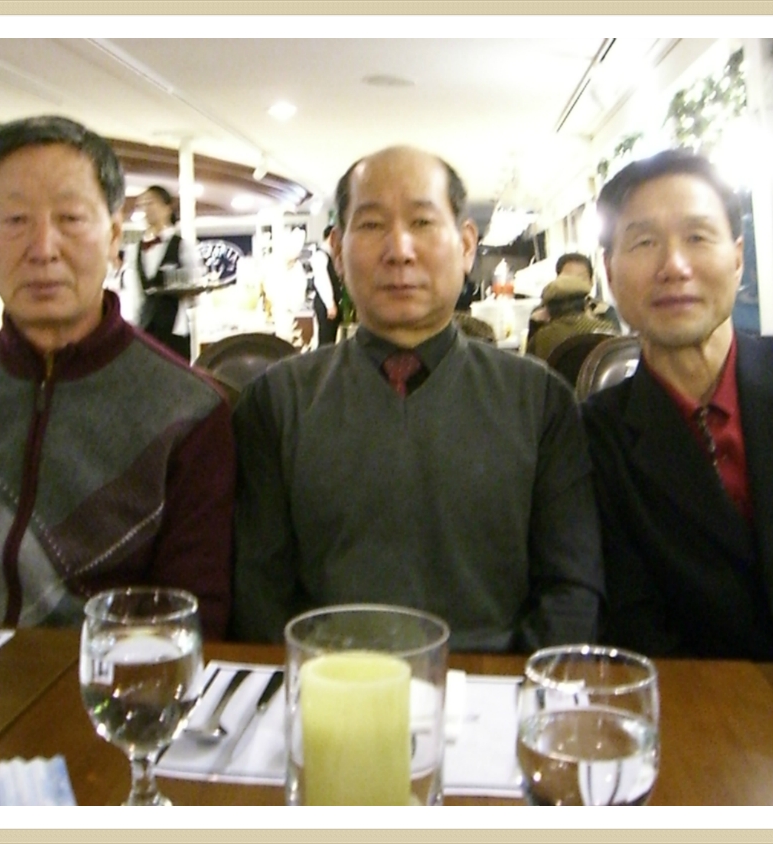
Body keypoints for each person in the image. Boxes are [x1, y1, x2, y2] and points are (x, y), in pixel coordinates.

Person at [230, 145, 604, 652]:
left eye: (423, 222)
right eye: (371, 225)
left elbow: (571, 589)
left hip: (496, 686)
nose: (399, 250)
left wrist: (513, 685)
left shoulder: (540, 401)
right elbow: (259, 595)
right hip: (329, 684)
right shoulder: (276, 402)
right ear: (337, 251)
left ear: (466, 245)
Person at [0, 116, 235, 638]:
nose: (43, 248)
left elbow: (192, 620)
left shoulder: (190, 411)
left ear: (113, 236)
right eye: (15, 219)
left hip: (113, 681)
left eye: (71, 218)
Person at [582, 148, 773, 663]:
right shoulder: (595, 436)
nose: (674, 267)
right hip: (707, 701)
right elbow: (635, 627)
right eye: (644, 242)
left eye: (697, 237)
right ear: (609, 272)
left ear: (738, 258)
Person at [131, 185, 202, 361]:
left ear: (167, 207)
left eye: (151, 202)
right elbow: (134, 294)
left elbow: (196, 285)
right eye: (144, 204)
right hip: (145, 329)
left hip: (175, 329)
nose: (147, 209)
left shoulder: (183, 246)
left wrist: (188, 294)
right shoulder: (135, 249)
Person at [525, 269, 620, 360]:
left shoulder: (542, 338)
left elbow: (531, 364)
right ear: (585, 303)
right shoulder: (607, 329)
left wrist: (534, 326)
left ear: (548, 309)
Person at [308, 224, 343, 345]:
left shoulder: (331, 255)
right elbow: (322, 281)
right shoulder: (320, 255)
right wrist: (330, 304)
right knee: (326, 340)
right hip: (325, 305)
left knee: (330, 340)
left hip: (330, 304)